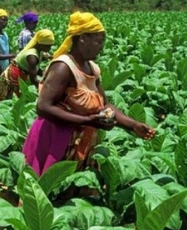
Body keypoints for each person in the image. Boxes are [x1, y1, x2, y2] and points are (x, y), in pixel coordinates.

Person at [22, 11, 156, 179]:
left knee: (78, 192)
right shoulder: (63, 67)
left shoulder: (92, 67)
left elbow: (104, 105)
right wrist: (87, 121)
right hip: (55, 142)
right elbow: (43, 107)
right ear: (83, 38)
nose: (101, 47)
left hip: (81, 144)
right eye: (99, 41)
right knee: (50, 192)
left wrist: (133, 125)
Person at [0, 29, 55, 101]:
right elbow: (33, 80)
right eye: (47, 46)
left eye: (50, 46)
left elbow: (36, 69)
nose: (49, 48)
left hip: (20, 76)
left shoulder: (39, 51)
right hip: (11, 78)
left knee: (18, 100)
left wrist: (45, 75)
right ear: (40, 44)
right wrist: (47, 89)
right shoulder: (32, 57)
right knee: (7, 101)